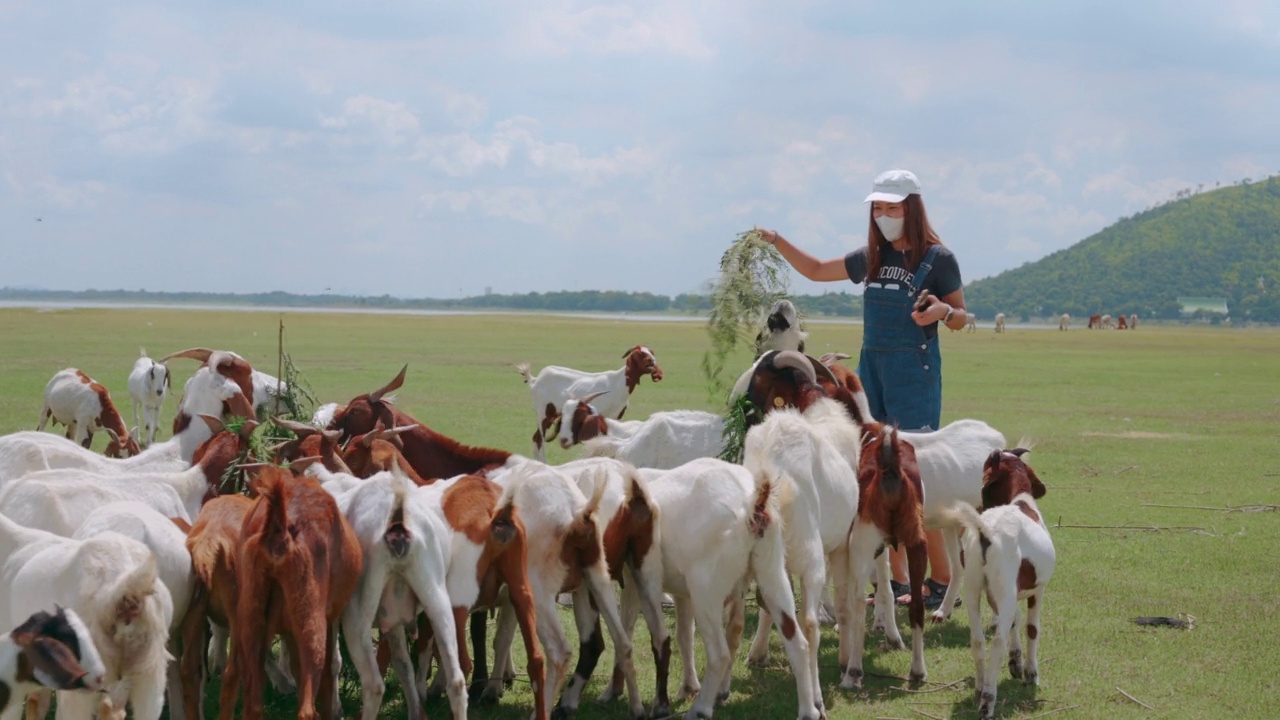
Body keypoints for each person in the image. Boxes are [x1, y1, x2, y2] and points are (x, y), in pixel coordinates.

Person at [755, 168, 968, 609]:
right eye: (878, 208)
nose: (884, 215)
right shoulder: (872, 256)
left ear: (911, 207)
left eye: (892, 207)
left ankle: (941, 581)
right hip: (872, 370)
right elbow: (814, 270)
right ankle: (896, 585)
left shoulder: (938, 259)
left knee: (913, 477)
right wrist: (777, 240)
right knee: (873, 472)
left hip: (915, 373)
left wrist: (943, 312)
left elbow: (964, 316)